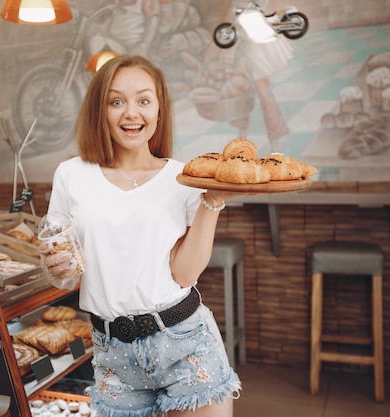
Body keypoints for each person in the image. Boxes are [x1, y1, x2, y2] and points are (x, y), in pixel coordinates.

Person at [43, 55, 242, 417]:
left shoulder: (184, 178)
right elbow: (64, 267)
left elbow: (185, 274)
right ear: (99, 112)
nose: (131, 113)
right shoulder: (71, 175)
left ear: (159, 111)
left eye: (144, 101)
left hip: (184, 341)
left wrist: (212, 201)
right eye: (116, 101)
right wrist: (56, 269)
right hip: (112, 352)